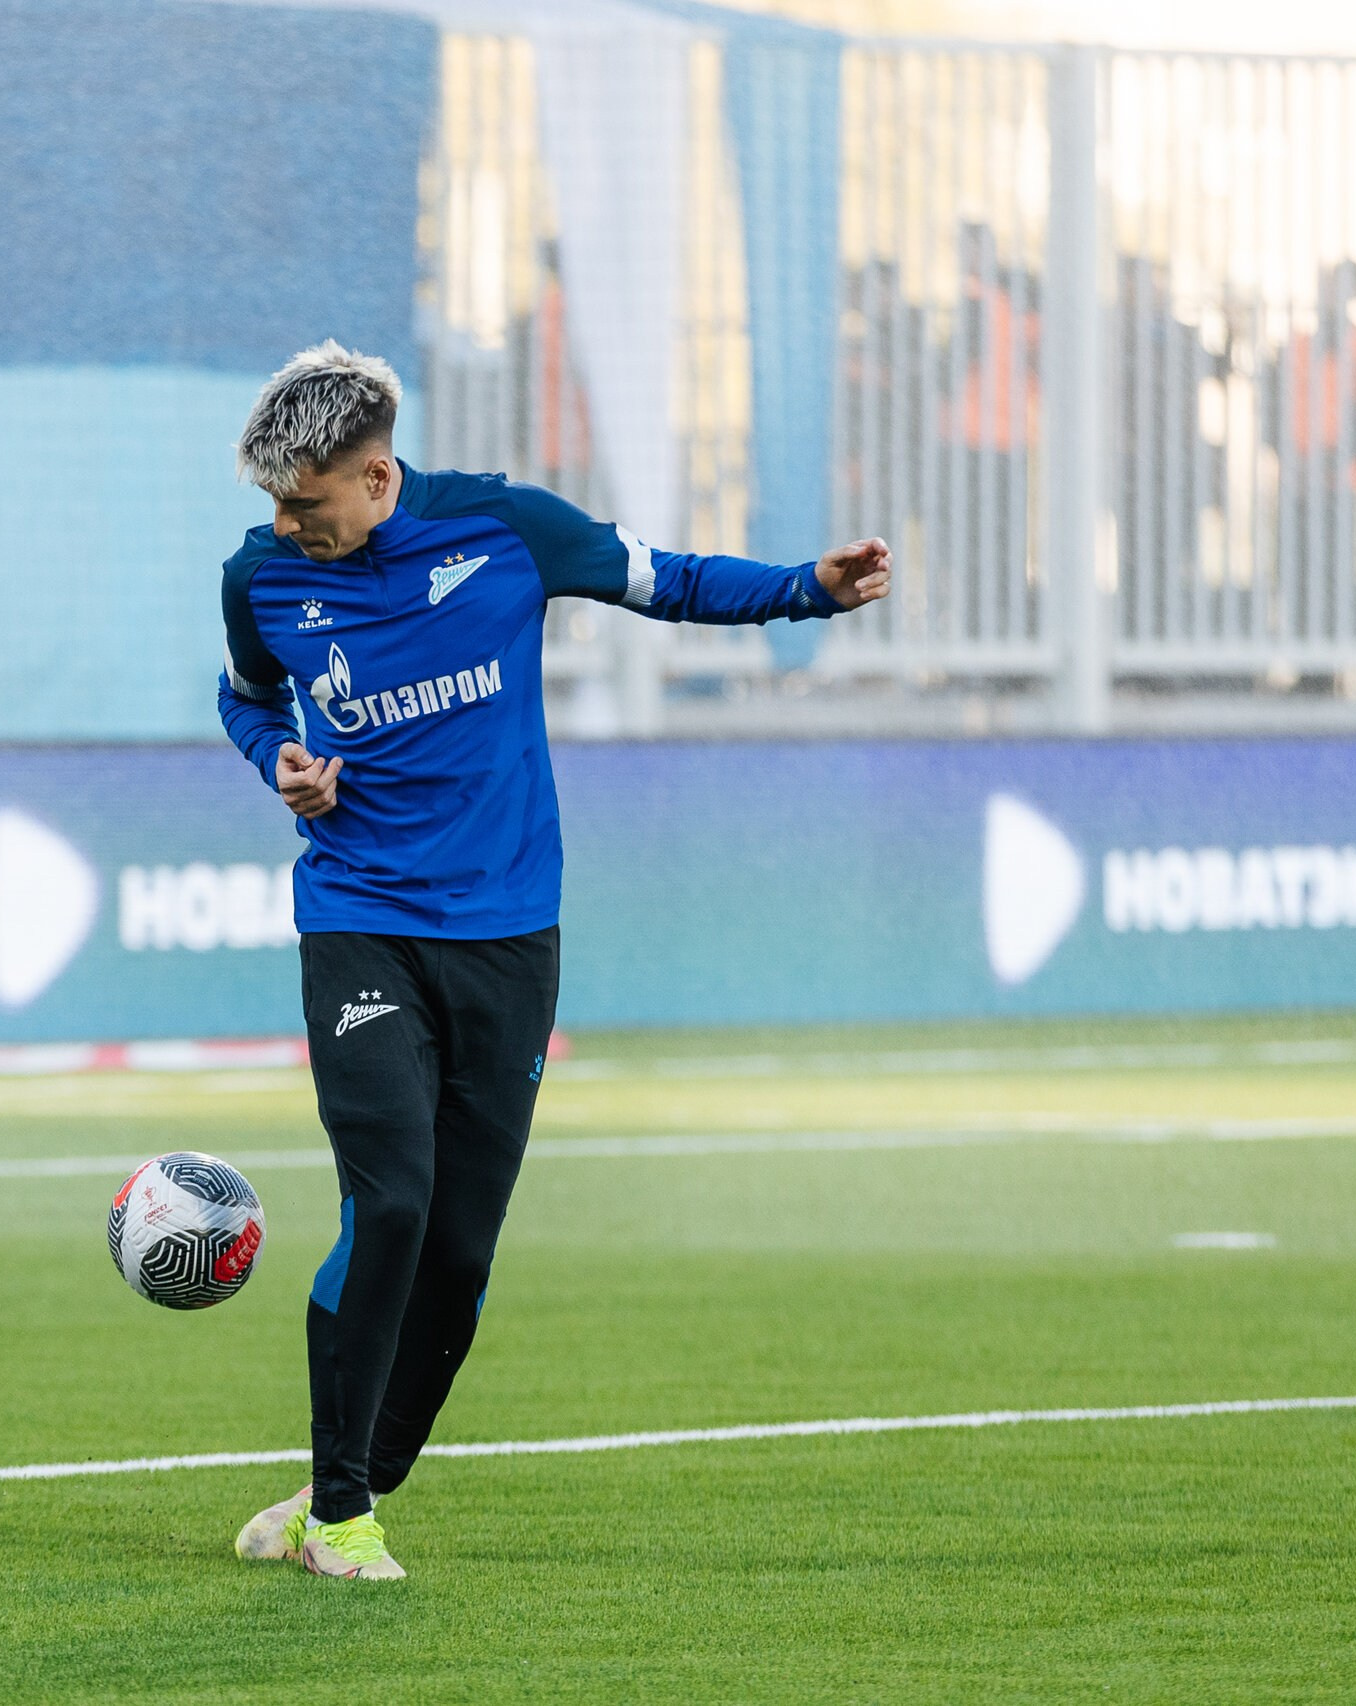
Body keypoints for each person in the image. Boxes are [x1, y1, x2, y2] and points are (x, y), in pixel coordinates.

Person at [217, 342, 890, 1580]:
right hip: (358, 918)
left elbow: (664, 579)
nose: (283, 524)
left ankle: (339, 1484)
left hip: (509, 936)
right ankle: (345, 1512)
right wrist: (281, 764)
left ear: (374, 476)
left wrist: (807, 586)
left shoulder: (506, 527)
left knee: (460, 1250)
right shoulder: (259, 578)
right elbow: (249, 697)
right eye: (272, 504)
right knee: (395, 1198)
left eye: (304, 502)